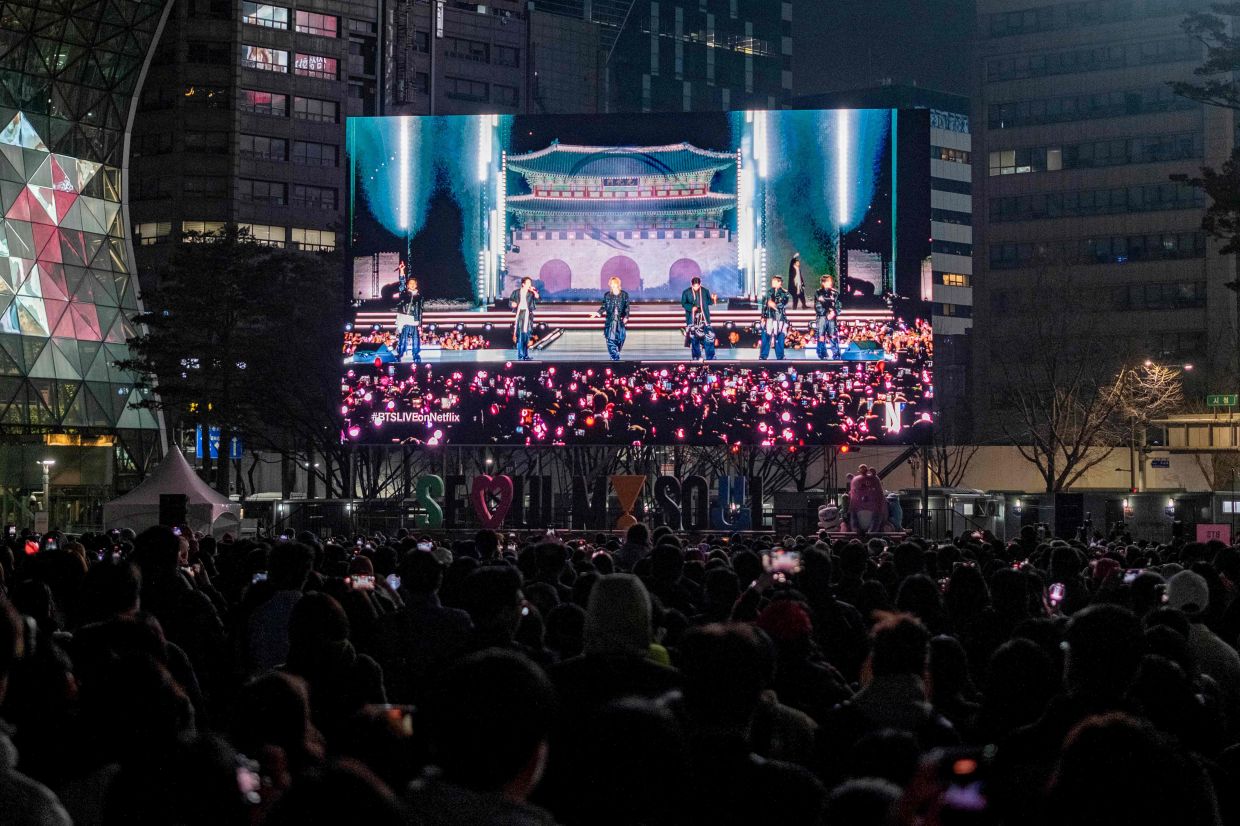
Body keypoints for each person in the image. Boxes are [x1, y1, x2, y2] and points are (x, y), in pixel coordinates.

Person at [596, 277, 630, 361]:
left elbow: (627, 307)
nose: (612, 285)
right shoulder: (607, 295)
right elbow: (604, 306)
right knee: (610, 340)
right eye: (611, 283)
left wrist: (626, 316)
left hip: (620, 321)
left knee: (621, 339)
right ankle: (614, 358)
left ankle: (615, 355)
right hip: (611, 321)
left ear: (618, 284)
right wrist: (598, 313)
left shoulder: (624, 295)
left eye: (614, 283)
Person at [759, 275, 790, 360]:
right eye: (772, 281)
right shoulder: (768, 292)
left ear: (779, 282)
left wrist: (774, 305)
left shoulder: (785, 293)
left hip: (779, 318)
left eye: (774, 281)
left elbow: (783, 304)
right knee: (766, 336)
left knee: (779, 336)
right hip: (769, 317)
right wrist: (763, 316)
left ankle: (780, 356)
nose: (772, 283)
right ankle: (763, 355)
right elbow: (764, 305)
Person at [395, 276, 424, 363]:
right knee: (403, 338)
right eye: (410, 283)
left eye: (414, 283)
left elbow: (420, 310)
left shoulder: (419, 297)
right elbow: (401, 284)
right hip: (404, 318)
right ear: (408, 285)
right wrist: (402, 273)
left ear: (416, 285)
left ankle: (416, 355)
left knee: (416, 339)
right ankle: (399, 354)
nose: (412, 285)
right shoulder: (404, 293)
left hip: (414, 319)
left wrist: (420, 324)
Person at [509, 277, 539, 361]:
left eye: (530, 282)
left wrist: (533, 290)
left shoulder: (531, 293)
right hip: (520, 314)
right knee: (520, 335)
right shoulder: (516, 292)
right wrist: (512, 304)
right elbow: (511, 301)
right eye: (528, 282)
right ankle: (520, 355)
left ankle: (525, 355)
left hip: (528, 315)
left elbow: (538, 297)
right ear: (523, 284)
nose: (530, 284)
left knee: (526, 336)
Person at [814, 274, 840, 359]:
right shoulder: (818, 292)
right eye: (828, 281)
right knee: (821, 335)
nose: (830, 282)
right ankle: (822, 353)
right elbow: (818, 306)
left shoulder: (835, 293)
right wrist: (826, 313)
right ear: (823, 282)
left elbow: (838, 305)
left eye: (831, 281)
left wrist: (834, 312)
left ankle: (836, 354)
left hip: (832, 318)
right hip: (822, 317)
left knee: (833, 335)